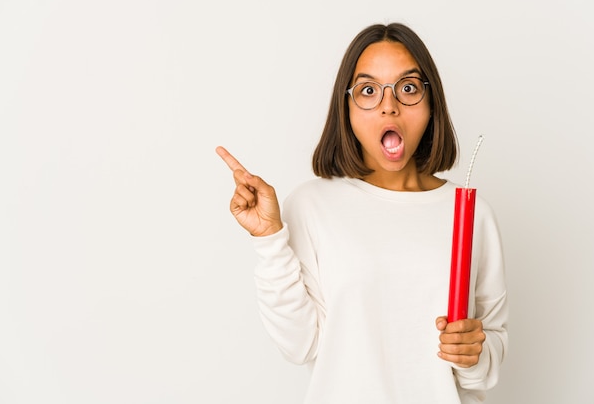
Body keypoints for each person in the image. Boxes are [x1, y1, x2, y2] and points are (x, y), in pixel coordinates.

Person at [216, 22, 508, 404]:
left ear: (431, 102)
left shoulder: (474, 215)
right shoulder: (311, 206)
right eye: (369, 90)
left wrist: (474, 354)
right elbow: (299, 346)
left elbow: (489, 357)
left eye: (408, 88)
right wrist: (270, 238)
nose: (389, 105)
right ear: (347, 109)